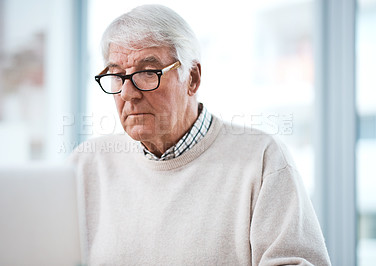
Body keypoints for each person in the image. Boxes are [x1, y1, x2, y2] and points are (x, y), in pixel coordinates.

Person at [71, 4, 331, 265]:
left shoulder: (262, 159)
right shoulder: (85, 165)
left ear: (192, 78)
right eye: (117, 75)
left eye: (148, 73)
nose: (128, 93)